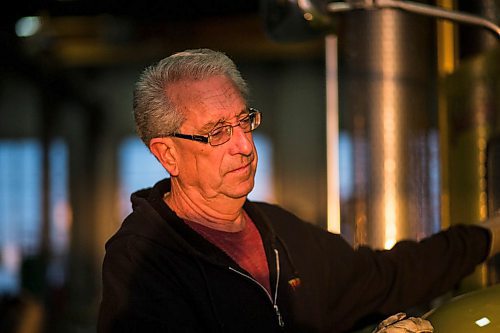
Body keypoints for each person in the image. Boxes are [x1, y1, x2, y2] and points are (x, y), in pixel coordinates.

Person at [97, 48, 500, 333]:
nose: (245, 146)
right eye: (218, 132)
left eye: (243, 121)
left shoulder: (278, 231)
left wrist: (489, 234)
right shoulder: (141, 260)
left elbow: (388, 276)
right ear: (168, 154)